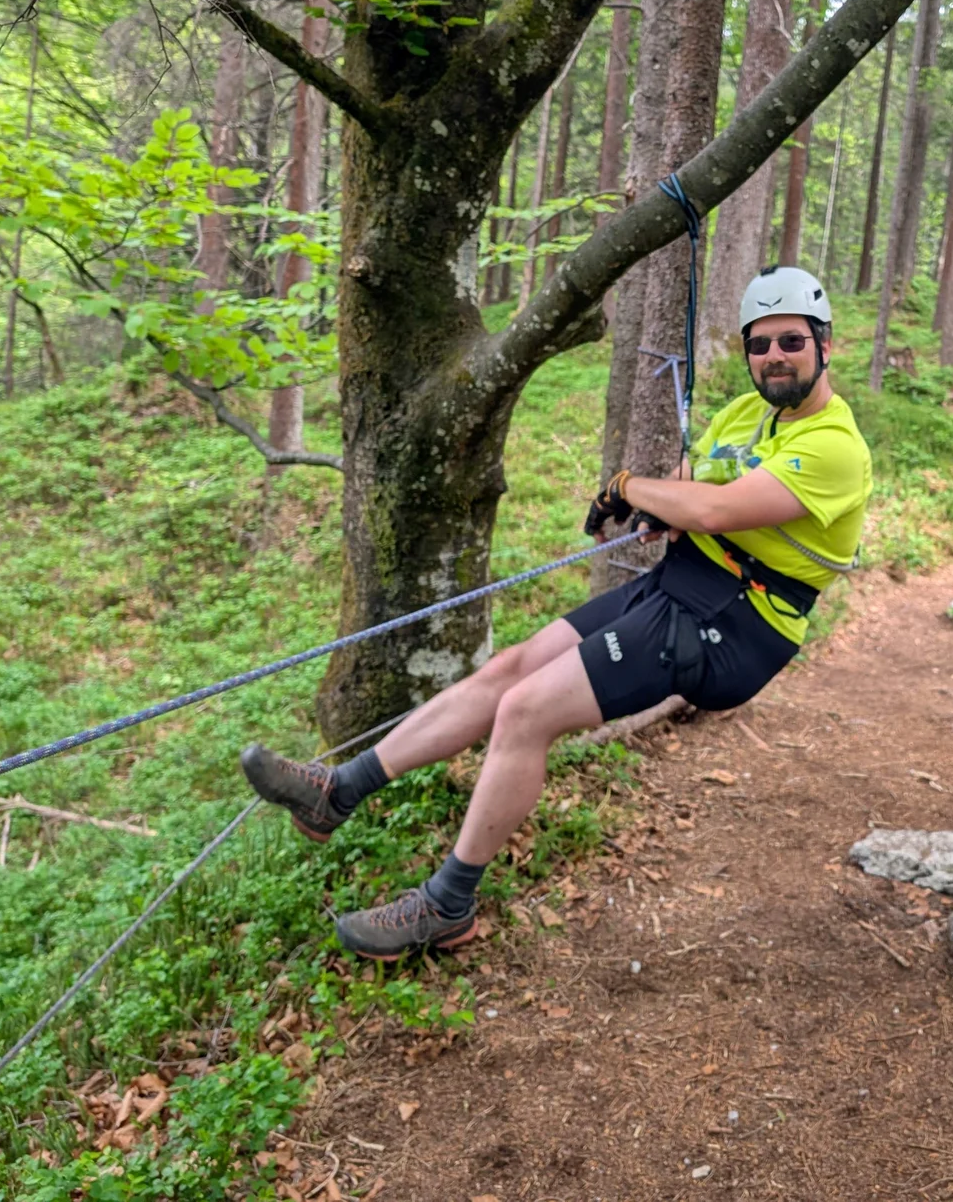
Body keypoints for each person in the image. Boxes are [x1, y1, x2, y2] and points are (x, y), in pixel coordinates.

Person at [237, 266, 870, 960]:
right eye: (760, 344)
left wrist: (633, 485)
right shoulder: (746, 415)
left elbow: (716, 507)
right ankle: (337, 792)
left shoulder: (836, 447)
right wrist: (649, 510)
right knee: (510, 669)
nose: (774, 356)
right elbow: (692, 493)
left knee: (527, 708)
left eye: (791, 341)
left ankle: (448, 904)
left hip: (738, 624)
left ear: (825, 345)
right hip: (685, 582)